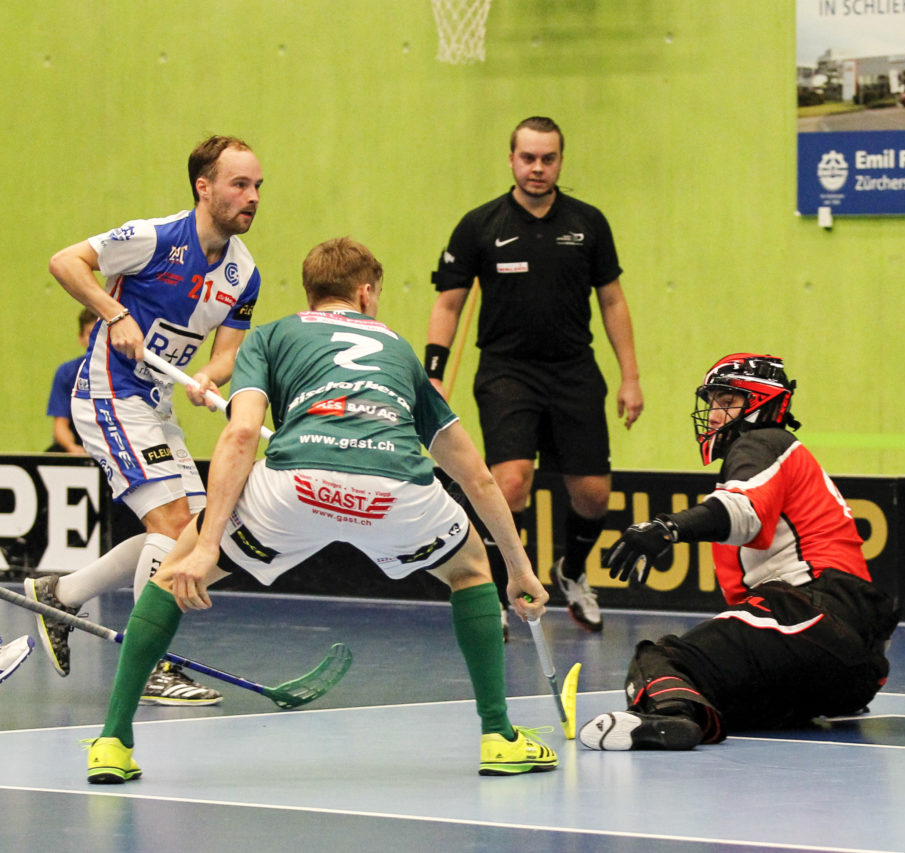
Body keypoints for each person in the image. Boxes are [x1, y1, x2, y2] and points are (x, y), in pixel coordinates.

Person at [84, 237, 556, 783]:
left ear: (311, 295)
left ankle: (113, 743)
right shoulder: (400, 350)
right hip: (395, 490)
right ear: (364, 292)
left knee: (171, 572)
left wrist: (208, 543)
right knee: (470, 567)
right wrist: (518, 570)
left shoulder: (270, 336)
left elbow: (240, 436)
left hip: (294, 489)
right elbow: (474, 474)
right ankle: (498, 737)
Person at [27, 135, 264, 706]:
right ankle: (151, 663)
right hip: (111, 395)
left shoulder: (244, 274)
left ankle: (61, 594)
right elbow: (65, 261)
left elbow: (229, 351)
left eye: (258, 186)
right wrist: (115, 312)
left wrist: (212, 375)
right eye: (240, 184)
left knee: (196, 533)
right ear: (204, 188)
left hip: (156, 404)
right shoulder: (155, 237)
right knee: (172, 524)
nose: (253, 196)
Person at [581, 353, 900, 750]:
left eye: (727, 402)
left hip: (809, 613)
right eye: (712, 402)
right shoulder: (780, 456)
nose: (714, 415)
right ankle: (694, 712)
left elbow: (743, 512)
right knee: (715, 693)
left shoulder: (762, 441)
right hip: (852, 671)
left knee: (662, 661)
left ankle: (671, 719)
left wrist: (667, 528)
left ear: (760, 404)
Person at [427, 116, 643, 635]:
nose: (538, 168)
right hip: (507, 372)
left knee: (593, 494)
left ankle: (571, 573)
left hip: (574, 372)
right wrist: (432, 375)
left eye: (548, 159)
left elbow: (612, 300)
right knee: (511, 482)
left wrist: (630, 376)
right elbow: (448, 304)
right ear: (511, 159)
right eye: (528, 157)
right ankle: (508, 588)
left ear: (560, 161)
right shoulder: (481, 225)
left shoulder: (588, 223)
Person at [45, 308, 97, 453]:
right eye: (90, 334)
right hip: (81, 445)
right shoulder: (67, 373)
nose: (95, 340)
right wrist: (72, 448)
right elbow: (60, 425)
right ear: (81, 338)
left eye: (101, 335)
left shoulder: (126, 372)